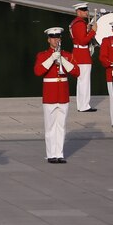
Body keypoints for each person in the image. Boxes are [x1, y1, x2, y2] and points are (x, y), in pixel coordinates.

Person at [34, 27, 78, 163]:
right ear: (48, 40)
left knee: (61, 126)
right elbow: (38, 71)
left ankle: (59, 153)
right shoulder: (42, 55)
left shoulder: (67, 54)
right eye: (53, 38)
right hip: (50, 95)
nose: (55, 40)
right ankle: (51, 154)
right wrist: (52, 58)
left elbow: (76, 72)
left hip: (63, 94)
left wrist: (62, 60)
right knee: (50, 126)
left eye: (57, 37)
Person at [69, 3, 97, 112]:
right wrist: (93, 31)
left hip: (77, 53)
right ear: (78, 11)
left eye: (86, 10)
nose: (87, 12)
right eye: (84, 10)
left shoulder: (75, 22)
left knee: (81, 81)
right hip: (82, 54)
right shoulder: (80, 23)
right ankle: (84, 105)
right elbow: (83, 41)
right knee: (84, 81)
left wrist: (88, 29)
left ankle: (82, 105)